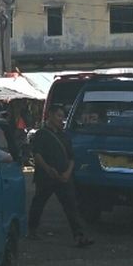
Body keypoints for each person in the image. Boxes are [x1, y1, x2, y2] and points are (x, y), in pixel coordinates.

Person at [28, 104, 93, 248]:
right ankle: (32, 230)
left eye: (62, 117)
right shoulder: (42, 134)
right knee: (39, 203)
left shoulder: (64, 136)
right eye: (58, 116)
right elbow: (37, 155)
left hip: (64, 176)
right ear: (50, 115)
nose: (60, 120)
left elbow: (71, 157)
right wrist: (48, 169)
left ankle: (79, 235)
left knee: (71, 206)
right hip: (46, 177)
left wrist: (67, 173)